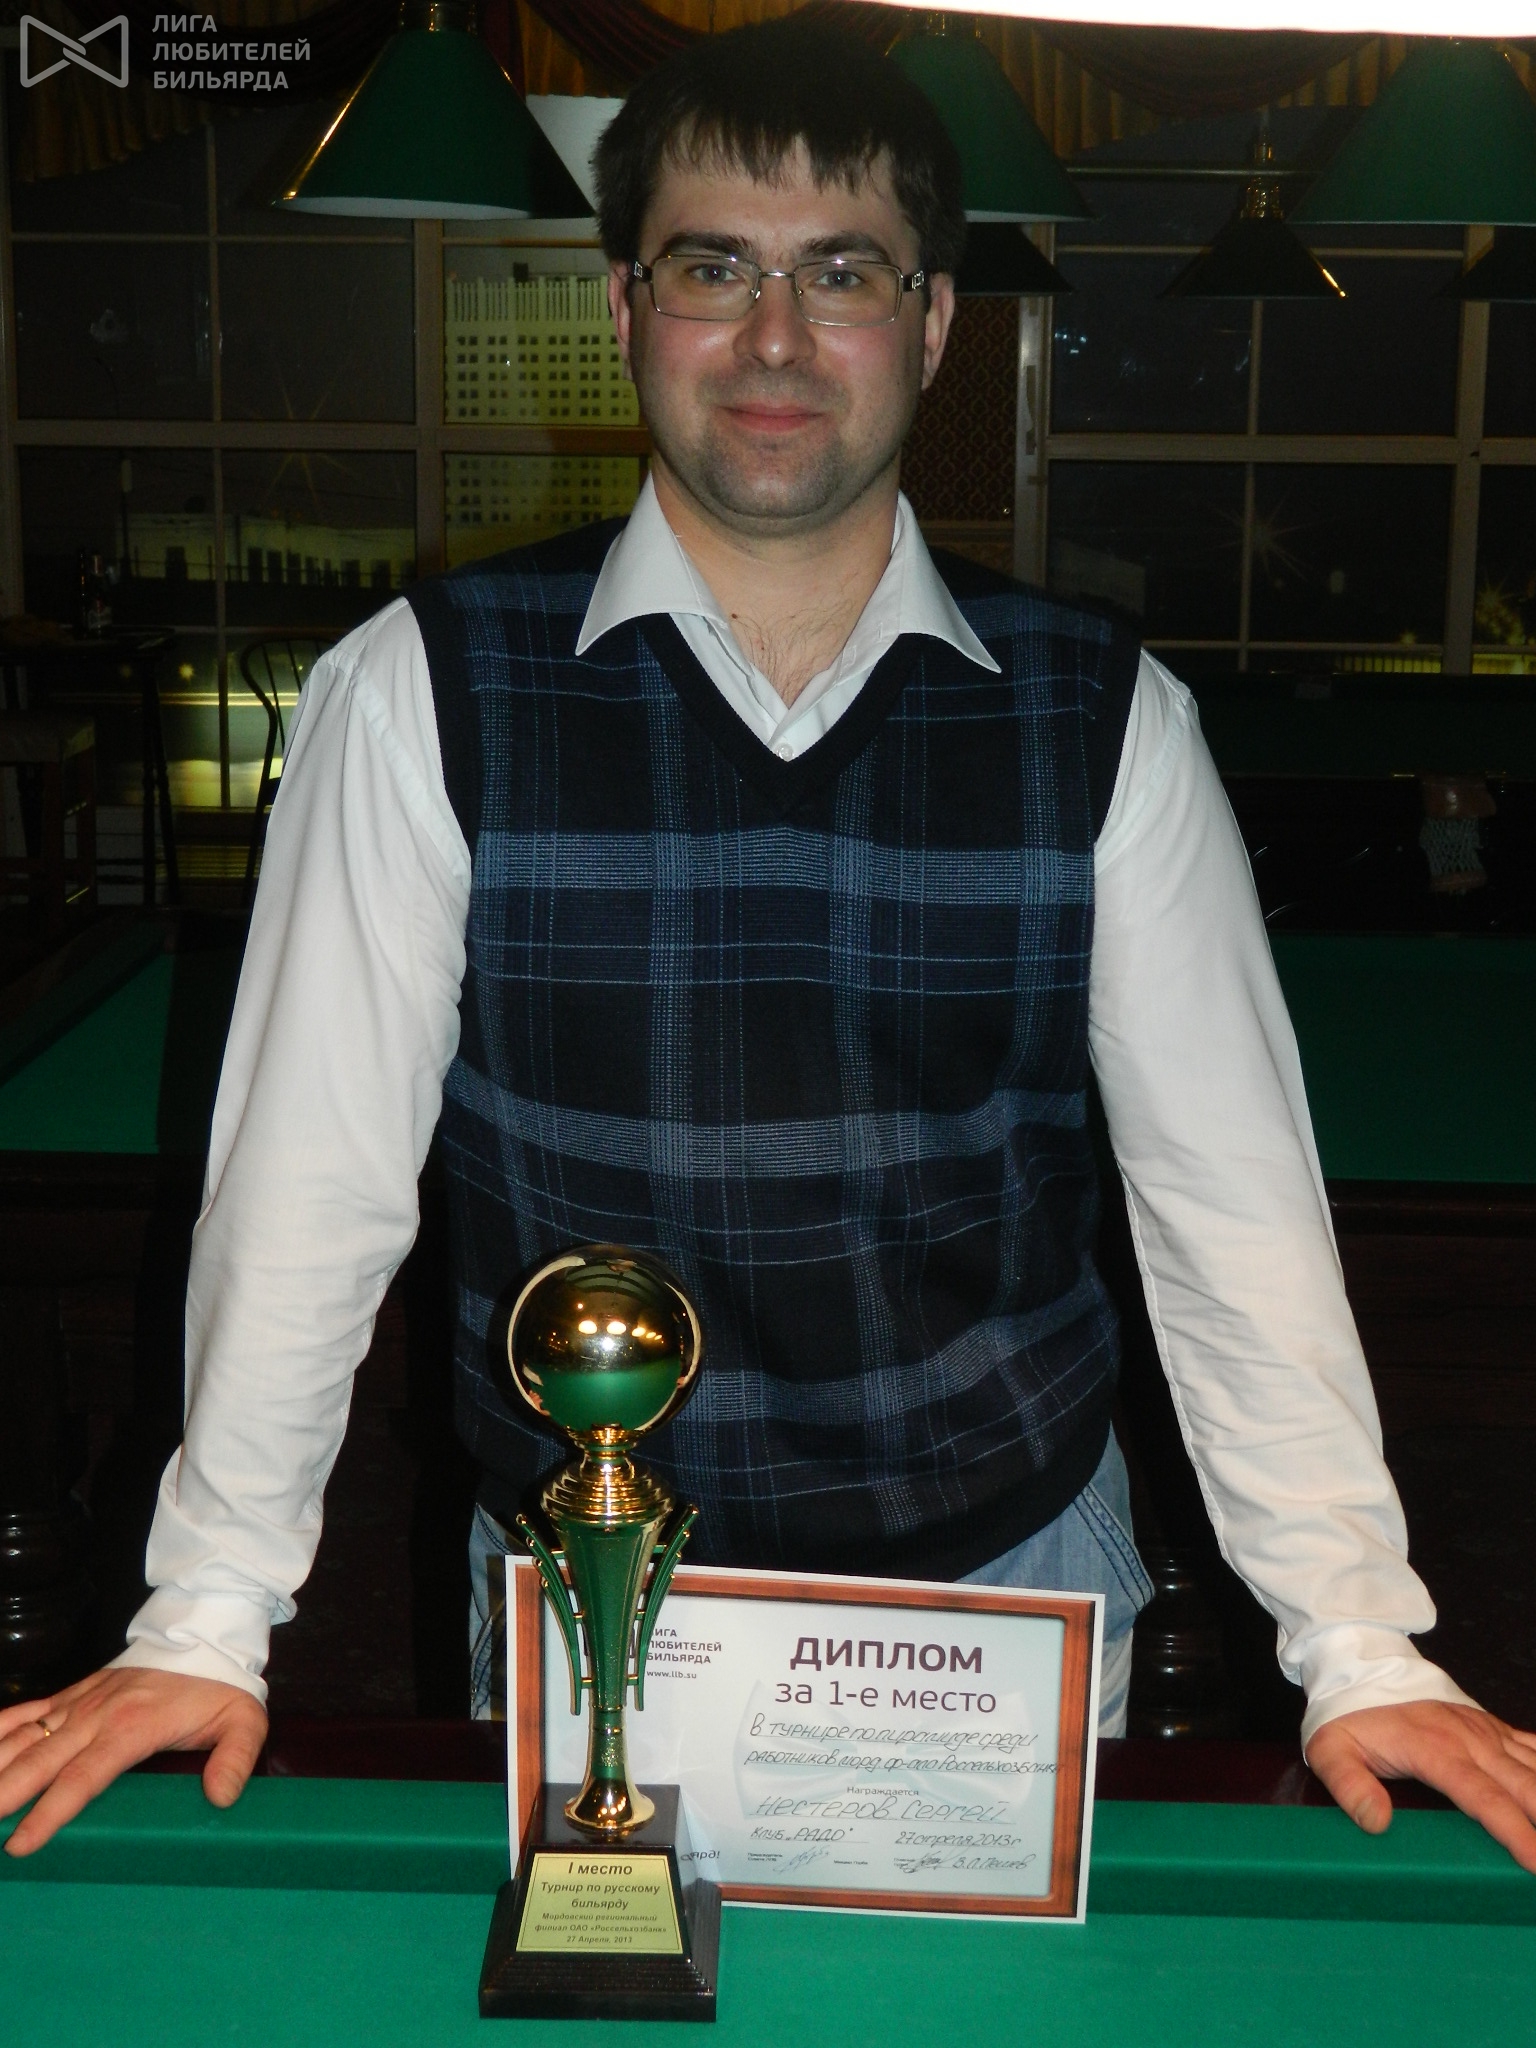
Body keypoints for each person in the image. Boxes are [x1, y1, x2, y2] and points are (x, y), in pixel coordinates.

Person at [4, 17, 1535, 1868]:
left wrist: (1358, 1640)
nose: (778, 339)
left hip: (1005, 1584)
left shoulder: (1104, 716)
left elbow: (1232, 1211)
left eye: (845, 275)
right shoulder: (421, 692)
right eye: (715, 269)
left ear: (936, 323)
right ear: (628, 307)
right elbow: (308, 1192)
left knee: (987, 2021)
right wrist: (204, 1617)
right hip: (594, 1592)